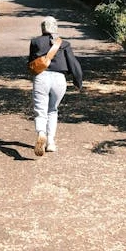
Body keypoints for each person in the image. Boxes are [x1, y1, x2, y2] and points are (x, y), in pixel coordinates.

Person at [28, 16, 83, 157]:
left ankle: (41, 133)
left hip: (41, 77)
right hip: (59, 79)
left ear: (43, 28)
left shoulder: (35, 42)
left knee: (40, 110)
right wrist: (78, 81)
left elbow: (31, 62)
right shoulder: (64, 44)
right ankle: (51, 142)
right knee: (52, 110)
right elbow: (73, 63)